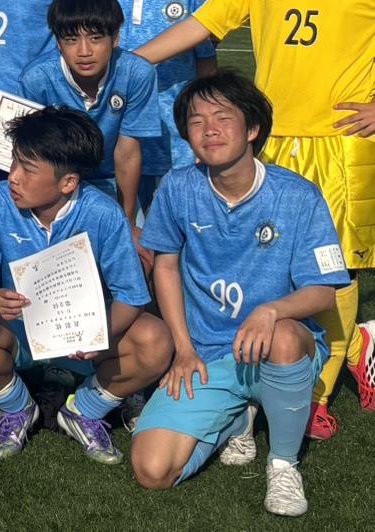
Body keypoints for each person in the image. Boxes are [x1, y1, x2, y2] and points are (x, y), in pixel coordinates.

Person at [135, 0, 375, 439]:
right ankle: (306, 357)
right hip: (269, 141)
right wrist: (131, 62)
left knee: (333, 270)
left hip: (342, 143)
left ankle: (316, 392)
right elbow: (201, 25)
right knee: (266, 261)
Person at [131, 72, 351, 518]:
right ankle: (237, 416)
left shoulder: (299, 195)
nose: (209, 130)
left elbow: (323, 292)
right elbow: (166, 267)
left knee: (284, 334)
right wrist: (183, 350)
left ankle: (283, 464)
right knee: (153, 471)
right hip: (207, 353)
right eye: (196, 121)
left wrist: (271, 310)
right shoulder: (178, 187)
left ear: (252, 128)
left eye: (222, 117)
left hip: (276, 351)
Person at [0, 107, 172, 467]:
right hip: (19, 334)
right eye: (14, 162)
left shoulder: (103, 213)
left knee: (156, 341)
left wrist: (97, 333)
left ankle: (84, 409)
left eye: (27, 169)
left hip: (80, 339)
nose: (13, 177)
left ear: (68, 182)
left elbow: (132, 297)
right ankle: (17, 407)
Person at [90, 0, 217, 212]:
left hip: (177, 147)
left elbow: (206, 62)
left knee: (176, 238)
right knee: (121, 235)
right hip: (113, 145)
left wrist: (205, 126)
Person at [20, 0, 162, 230]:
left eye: (96, 38)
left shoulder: (137, 73)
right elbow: (34, 155)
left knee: (133, 244)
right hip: (56, 184)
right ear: (58, 43)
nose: (84, 51)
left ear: (116, 37)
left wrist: (127, 221)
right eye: (71, 40)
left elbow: (127, 154)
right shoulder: (36, 79)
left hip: (112, 180)